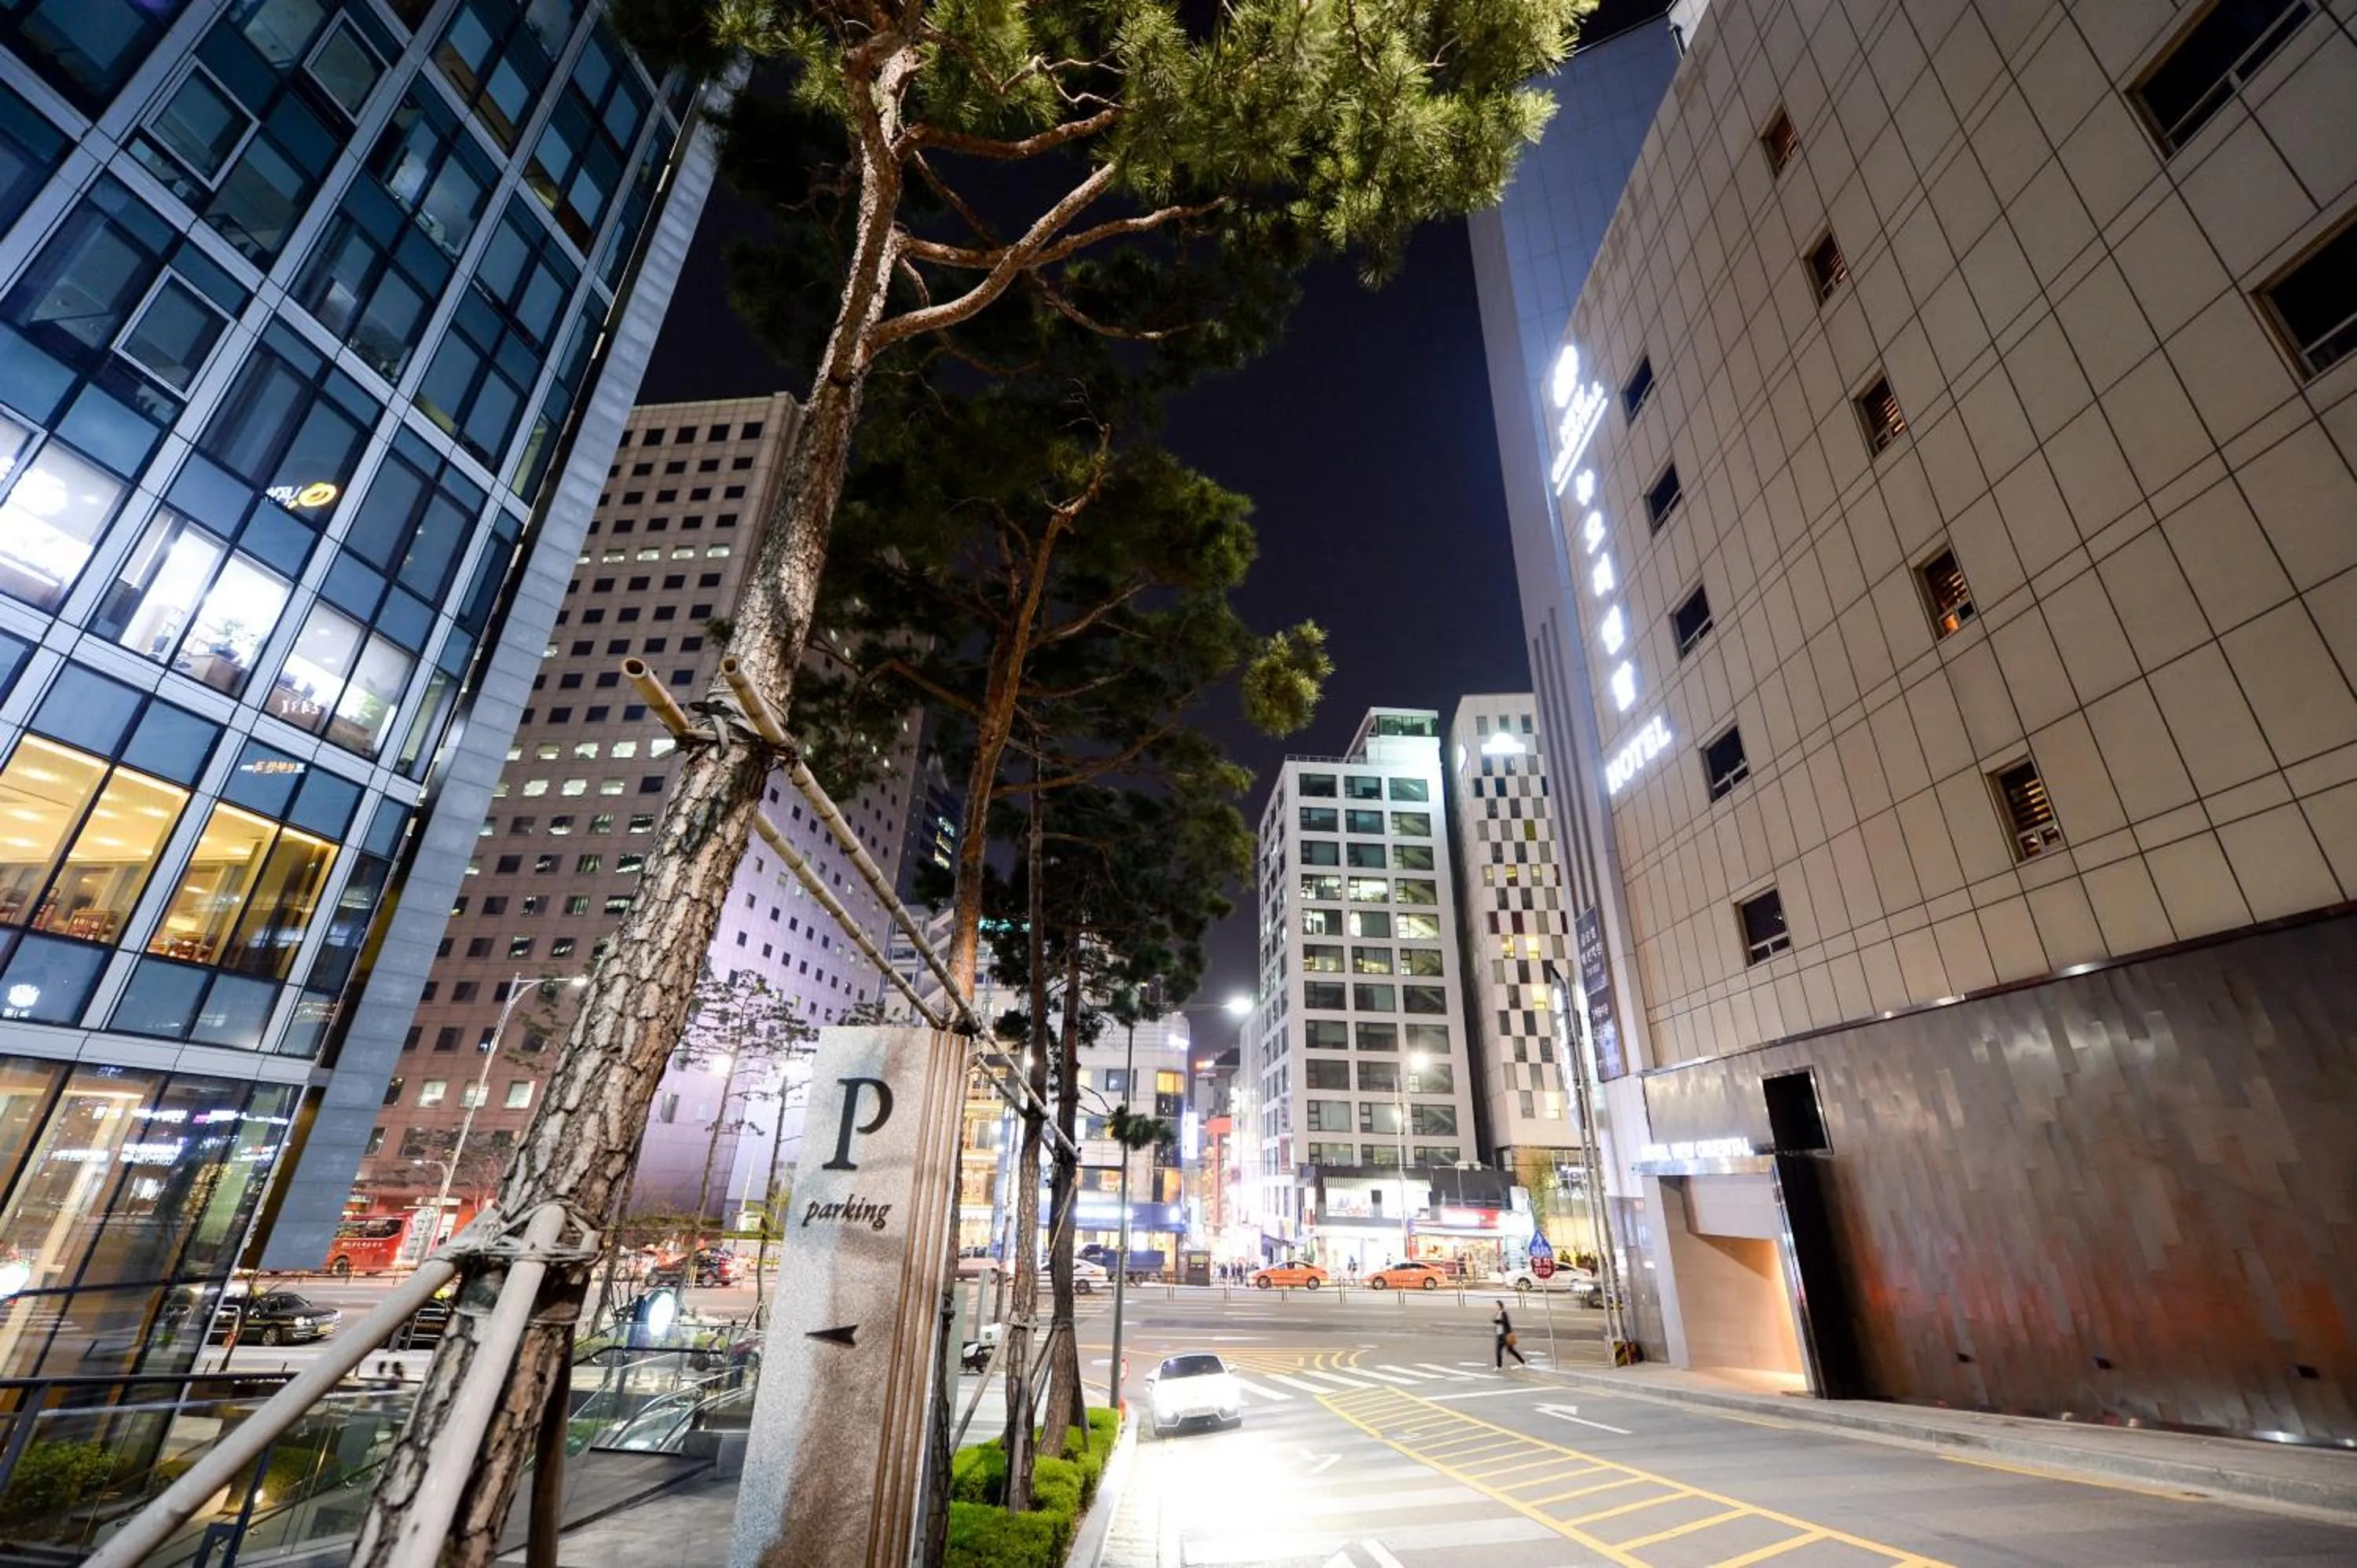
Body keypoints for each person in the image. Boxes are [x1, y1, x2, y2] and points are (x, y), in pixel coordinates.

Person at [1493, 1299, 1527, 1369]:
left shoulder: (1503, 1313)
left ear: (1500, 1306)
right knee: (1498, 1351)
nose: (1495, 1307)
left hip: (1505, 1335)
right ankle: (1499, 1366)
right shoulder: (1497, 1313)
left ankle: (1523, 1362)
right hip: (1500, 1335)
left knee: (1511, 1350)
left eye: (1496, 1305)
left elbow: (1505, 1322)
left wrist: (1498, 1321)